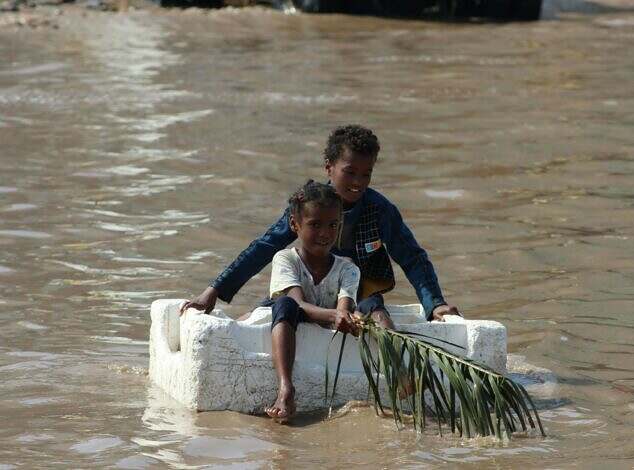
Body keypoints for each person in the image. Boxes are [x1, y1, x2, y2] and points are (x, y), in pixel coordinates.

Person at [180, 124, 460, 327]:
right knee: (256, 318)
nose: (358, 182)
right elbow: (265, 247)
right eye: (349, 172)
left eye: (366, 174)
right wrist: (214, 290)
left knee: (377, 315)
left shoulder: (380, 210)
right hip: (305, 292)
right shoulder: (310, 204)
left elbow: (412, 257)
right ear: (329, 168)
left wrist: (434, 303)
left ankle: (399, 376)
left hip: (355, 294)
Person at [261, 181, 360, 422]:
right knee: (283, 304)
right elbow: (297, 303)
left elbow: (343, 308)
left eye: (333, 225)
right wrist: (335, 316)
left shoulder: (348, 268)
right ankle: (286, 387)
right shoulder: (285, 259)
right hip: (291, 313)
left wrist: (344, 317)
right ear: (295, 224)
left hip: (318, 320)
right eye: (315, 225)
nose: (325, 233)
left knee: (372, 305)